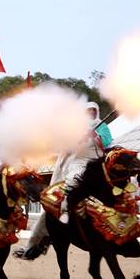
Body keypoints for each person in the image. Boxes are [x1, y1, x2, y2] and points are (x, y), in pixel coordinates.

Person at [18, 101, 112, 259]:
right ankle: (64, 209)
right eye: (88, 111)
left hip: (97, 162)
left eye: (93, 111)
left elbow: (107, 141)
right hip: (79, 161)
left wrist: (95, 136)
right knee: (74, 180)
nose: (91, 114)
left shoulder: (101, 126)